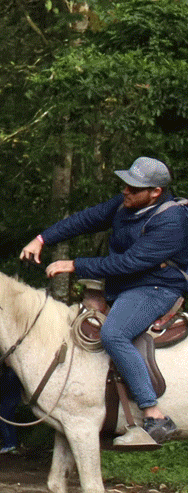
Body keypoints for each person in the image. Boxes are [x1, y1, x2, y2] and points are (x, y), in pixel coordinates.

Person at [21, 155, 184, 448]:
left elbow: (130, 262)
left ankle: (153, 416)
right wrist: (42, 238)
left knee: (114, 334)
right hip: (123, 286)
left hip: (155, 287)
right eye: (125, 185)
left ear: (155, 192)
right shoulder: (126, 204)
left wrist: (76, 265)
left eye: (134, 188)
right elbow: (85, 219)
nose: (126, 191)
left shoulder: (172, 221)